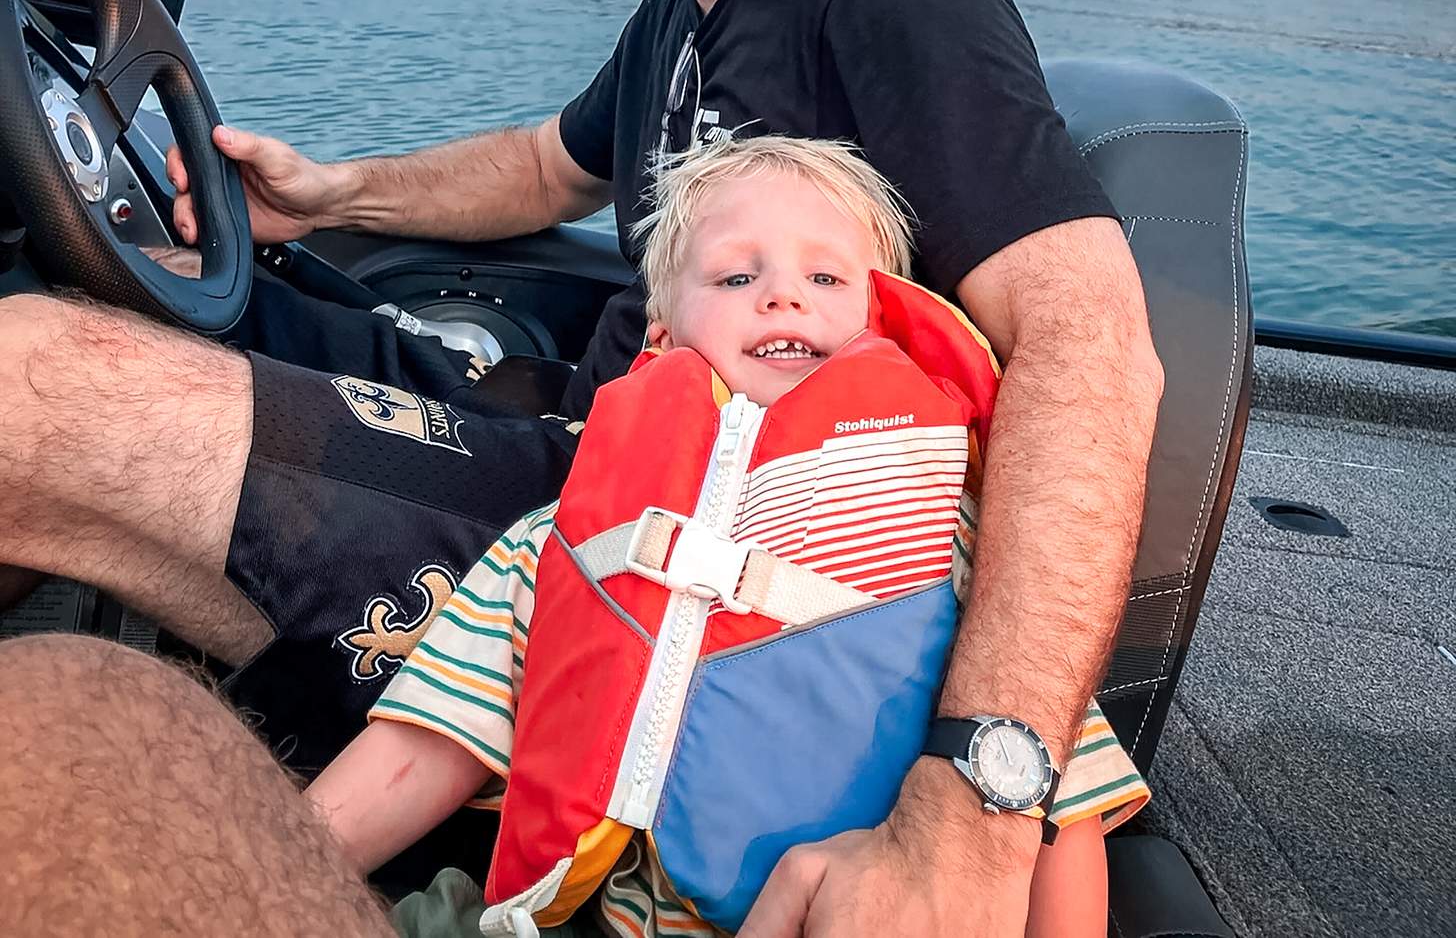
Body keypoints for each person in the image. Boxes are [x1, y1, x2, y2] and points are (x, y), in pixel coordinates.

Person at [0, 0, 1162, 935]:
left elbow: (1096, 343)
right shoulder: (687, 5)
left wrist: (976, 800)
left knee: (29, 380)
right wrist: (330, 193)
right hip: (581, 429)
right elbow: (549, 164)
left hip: (640, 532)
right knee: (119, 280)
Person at [308, 135, 1150, 938]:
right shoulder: (568, 542)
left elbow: (1049, 803)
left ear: (884, 328)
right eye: (736, 273)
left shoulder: (951, 552)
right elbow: (414, 757)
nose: (782, 293)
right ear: (662, 334)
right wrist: (285, 869)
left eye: (825, 275)